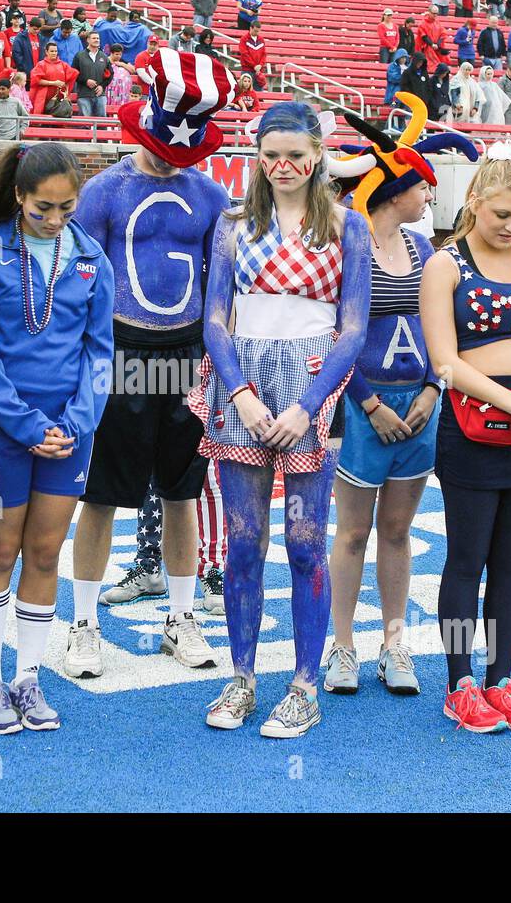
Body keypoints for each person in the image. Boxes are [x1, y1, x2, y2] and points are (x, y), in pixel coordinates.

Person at [192, 101, 370, 738]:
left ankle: (303, 685)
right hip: (242, 387)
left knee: (305, 545)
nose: (283, 166)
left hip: (310, 391)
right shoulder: (233, 222)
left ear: (318, 154)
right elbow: (214, 321)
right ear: (257, 156)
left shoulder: (348, 226)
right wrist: (239, 392)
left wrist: (308, 405)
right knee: (243, 544)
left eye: (296, 154)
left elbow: (353, 329)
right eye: (272, 155)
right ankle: (241, 677)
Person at [65, 52, 234, 673]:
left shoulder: (212, 195)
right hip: (122, 352)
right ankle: (82, 623)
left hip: (187, 352)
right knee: (103, 494)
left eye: (184, 153)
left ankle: (182, 617)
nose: (172, 161)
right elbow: (75, 279)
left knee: (183, 491)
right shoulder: (104, 189)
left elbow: (224, 288)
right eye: (165, 149)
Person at [0, 143, 114, 732]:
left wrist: (74, 422)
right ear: (19, 196)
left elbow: (101, 352)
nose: (53, 219)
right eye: (41, 207)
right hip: (1, 430)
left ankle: (28, 678)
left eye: (66, 208)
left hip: (70, 434)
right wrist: (24, 425)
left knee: (46, 553)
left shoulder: (93, 258)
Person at [325, 101, 477, 698]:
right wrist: (367, 402)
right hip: (365, 407)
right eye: (423, 186)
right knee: (352, 532)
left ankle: (394, 643)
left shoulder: (422, 249)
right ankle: (342, 648)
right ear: (396, 189)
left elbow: (444, 324)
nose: (430, 196)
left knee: (396, 528)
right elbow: (336, 332)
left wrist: (435, 387)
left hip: (419, 403)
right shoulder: (347, 240)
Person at [419, 157, 511, 733]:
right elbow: (446, 363)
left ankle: (499, 678)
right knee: (466, 559)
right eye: (502, 213)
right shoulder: (444, 264)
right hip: (474, 427)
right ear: (475, 199)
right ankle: (460, 682)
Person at [29, 41, 77, 116]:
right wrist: (53, 83)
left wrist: (66, 92)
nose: (54, 53)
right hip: (43, 98)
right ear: (46, 52)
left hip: (59, 99)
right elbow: (36, 80)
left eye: (56, 51)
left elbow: (71, 77)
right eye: (52, 51)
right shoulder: (41, 64)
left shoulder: (63, 65)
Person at [73, 31, 112, 118]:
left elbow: (110, 74)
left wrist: (102, 86)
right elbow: (74, 73)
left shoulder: (104, 57)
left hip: (100, 95)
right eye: (94, 38)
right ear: (88, 40)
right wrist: (86, 81)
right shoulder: (79, 56)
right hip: (83, 94)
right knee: (84, 123)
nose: (96, 40)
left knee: (102, 123)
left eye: (98, 38)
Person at [416, 7, 449, 74]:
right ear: (429, 12)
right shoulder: (422, 24)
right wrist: (432, 44)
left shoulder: (437, 23)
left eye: (437, 13)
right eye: (434, 13)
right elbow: (424, 36)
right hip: (426, 48)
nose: (435, 15)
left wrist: (438, 44)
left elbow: (443, 34)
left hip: (436, 48)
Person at [239, 21, 268, 90]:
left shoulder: (261, 39)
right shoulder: (244, 39)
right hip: (247, 70)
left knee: (259, 94)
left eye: (258, 31)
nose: (257, 33)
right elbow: (245, 54)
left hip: (258, 71)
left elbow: (264, 54)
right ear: (250, 28)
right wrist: (254, 65)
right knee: (245, 92)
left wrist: (260, 65)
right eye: (255, 31)